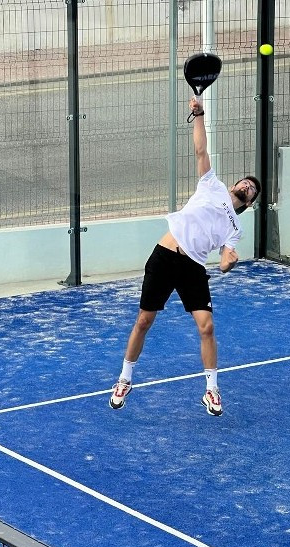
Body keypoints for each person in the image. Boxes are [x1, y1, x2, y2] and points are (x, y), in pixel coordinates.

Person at [109, 96, 261, 416]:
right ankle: (124, 379)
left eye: (251, 189)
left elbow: (224, 262)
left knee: (207, 327)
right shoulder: (212, 185)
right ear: (234, 185)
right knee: (144, 320)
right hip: (166, 255)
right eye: (245, 182)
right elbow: (201, 150)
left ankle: (212, 389)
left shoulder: (235, 229)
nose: (247, 186)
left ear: (249, 203)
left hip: (193, 267)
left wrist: (229, 263)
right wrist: (199, 114)